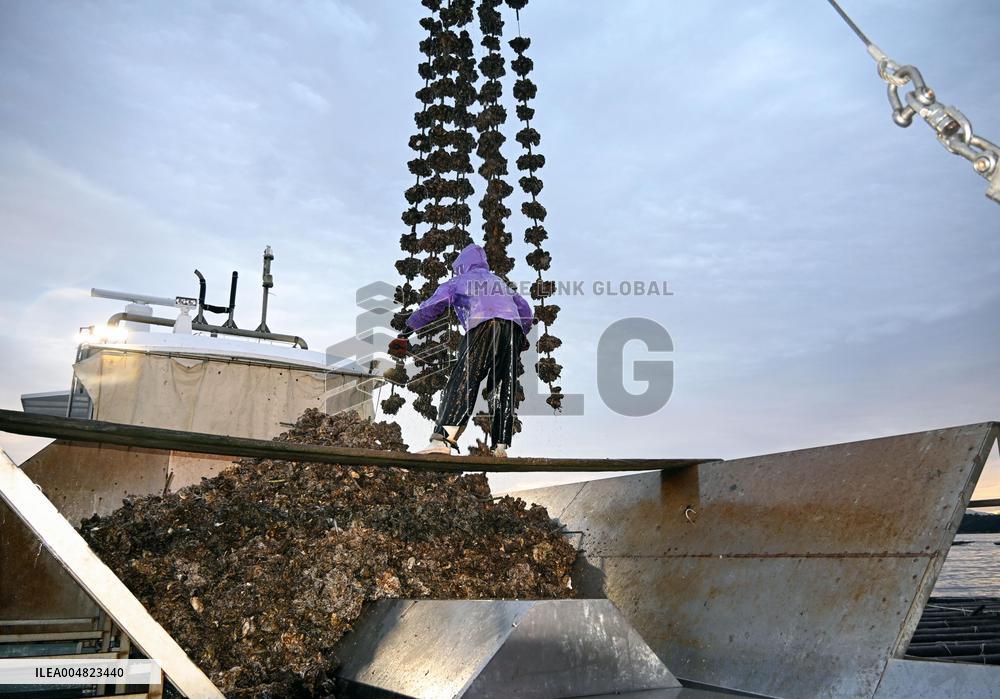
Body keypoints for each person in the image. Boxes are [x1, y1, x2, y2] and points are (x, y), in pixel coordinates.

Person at [388, 243, 533, 457]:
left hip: (483, 324)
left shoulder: (459, 281)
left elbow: (431, 306)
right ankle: (500, 445)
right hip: (513, 330)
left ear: (461, 267)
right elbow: (525, 309)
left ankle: (443, 440)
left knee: (464, 380)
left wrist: (405, 333)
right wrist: (521, 333)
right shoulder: (499, 282)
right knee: (503, 385)